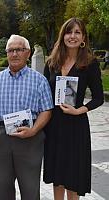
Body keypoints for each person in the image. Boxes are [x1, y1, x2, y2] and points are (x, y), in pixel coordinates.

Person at [0, 34, 53, 200]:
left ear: (28, 53)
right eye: (11, 50)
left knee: (30, 189)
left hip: (30, 138)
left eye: (19, 50)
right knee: (2, 189)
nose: (14, 54)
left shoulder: (39, 80)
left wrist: (34, 130)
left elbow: (47, 110)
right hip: (0, 138)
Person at [43, 17, 104, 200]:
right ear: (63, 36)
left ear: (83, 37)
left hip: (76, 125)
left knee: (72, 174)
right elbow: (44, 93)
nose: (73, 36)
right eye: (69, 32)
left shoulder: (90, 63)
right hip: (54, 125)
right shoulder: (51, 62)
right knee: (57, 173)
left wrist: (79, 110)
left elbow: (99, 98)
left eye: (77, 32)